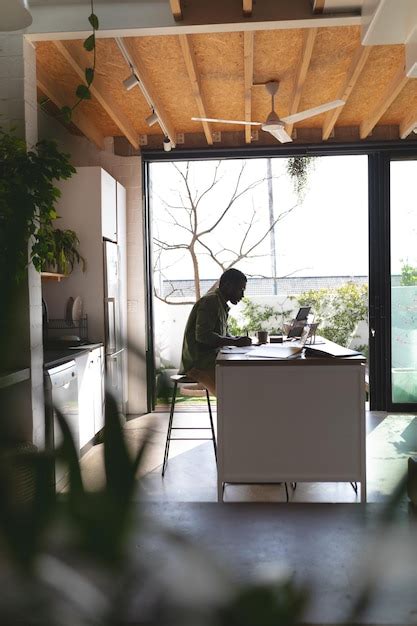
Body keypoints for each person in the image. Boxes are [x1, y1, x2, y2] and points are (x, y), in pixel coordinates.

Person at [179, 268, 252, 396]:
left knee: (243, 378)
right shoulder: (211, 301)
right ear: (228, 285)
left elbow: (223, 334)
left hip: (210, 360)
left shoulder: (220, 303)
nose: (242, 295)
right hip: (198, 364)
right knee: (237, 391)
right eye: (241, 289)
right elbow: (203, 336)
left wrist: (236, 339)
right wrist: (235, 342)